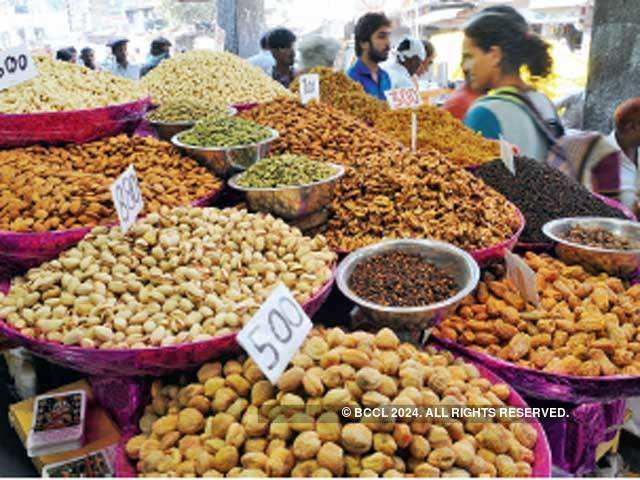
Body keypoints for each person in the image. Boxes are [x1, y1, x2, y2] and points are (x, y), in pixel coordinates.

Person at [461, 8, 561, 161]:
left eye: (469, 56)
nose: (465, 66)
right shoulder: (543, 102)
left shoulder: (483, 113)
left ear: (495, 55)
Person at [348, 12, 392, 100]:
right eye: (381, 37)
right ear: (363, 43)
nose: (388, 43)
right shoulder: (350, 80)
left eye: (388, 37)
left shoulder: (385, 76)